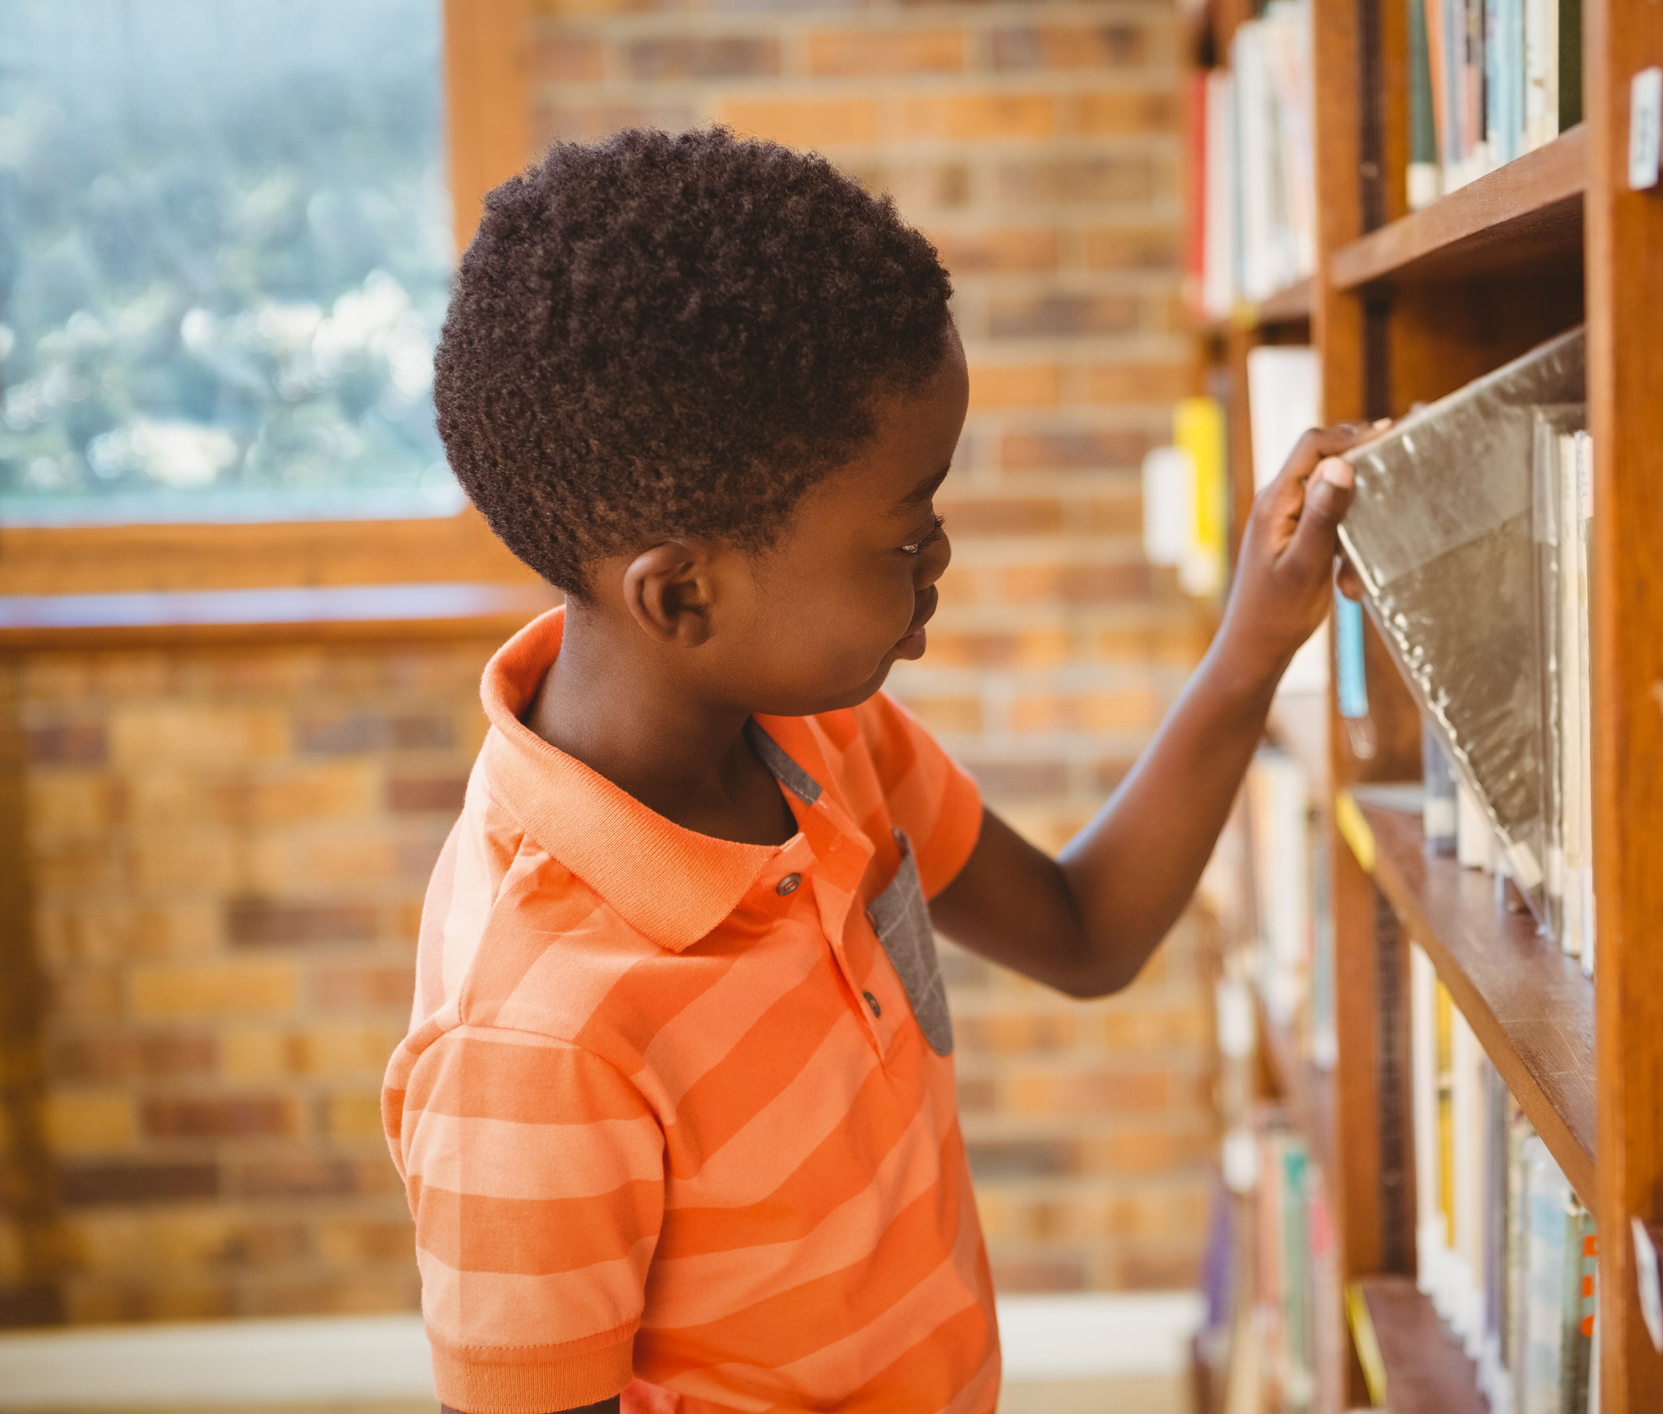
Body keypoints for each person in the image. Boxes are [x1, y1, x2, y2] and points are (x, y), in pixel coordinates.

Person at [383, 126, 1377, 1414]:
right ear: (682, 593)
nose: (940, 559)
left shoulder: (819, 740)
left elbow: (1087, 931)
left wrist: (1251, 647)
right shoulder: (534, 1034)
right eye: (907, 532)